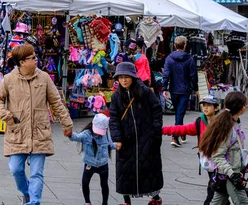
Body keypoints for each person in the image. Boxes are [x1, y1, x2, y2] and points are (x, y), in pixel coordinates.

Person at [0, 43, 73, 205]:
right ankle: (26, 192)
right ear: (22, 62)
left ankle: (34, 202)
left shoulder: (44, 78)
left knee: (37, 173)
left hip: (39, 131)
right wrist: (6, 115)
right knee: (15, 169)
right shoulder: (9, 79)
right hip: (17, 131)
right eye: (33, 58)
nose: (36, 60)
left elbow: (56, 102)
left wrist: (67, 123)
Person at [109, 62, 163, 205]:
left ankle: (156, 198)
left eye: (127, 77)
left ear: (133, 77)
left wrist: (155, 132)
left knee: (150, 169)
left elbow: (157, 110)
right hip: (126, 140)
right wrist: (117, 138)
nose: (124, 80)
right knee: (125, 171)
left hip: (147, 138)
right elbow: (113, 118)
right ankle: (126, 200)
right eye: (121, 77)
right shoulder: (116, 97)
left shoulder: (145, 92)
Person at [162, 95, 220, 205]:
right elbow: (183, 129)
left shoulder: (223, 122)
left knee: (214, 189)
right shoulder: (200, 122)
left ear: (216, 108)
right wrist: (162, 130)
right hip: (209, 161)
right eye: (204, 105)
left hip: (222, 161)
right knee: (218, 189)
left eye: (209, 105)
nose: (205, 108)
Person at [199, 91, 248, 205]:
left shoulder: (233, 124)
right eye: (245, 104)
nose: (246, 107)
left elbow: (234, 150)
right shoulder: (227, 128)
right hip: (230, 175)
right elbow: (217, 155)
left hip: (228, 174)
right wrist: (232, 174)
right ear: (241, 108)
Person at [69, 113, 115, 205]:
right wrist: (69, 134)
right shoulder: (87, 134)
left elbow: (110, 144)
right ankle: (87, 202)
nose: (98, 133)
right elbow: (77, 137)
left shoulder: (106, 134)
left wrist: (117, 146)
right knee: (85, 182)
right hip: (90, 163)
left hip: (103, 164)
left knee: (104, 184)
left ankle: (105, 203)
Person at [163, 35, 198, 148]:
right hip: (185, 89)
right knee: (180, 113)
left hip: (173, 89)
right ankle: (175, 136)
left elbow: (166, 74)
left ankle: (182, 133)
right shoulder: (189, 58)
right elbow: (193, 75)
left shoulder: (169, 58)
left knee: (179, 113)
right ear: (185, 45)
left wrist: (164, 88)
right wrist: (195, 89)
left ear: (174, 45)